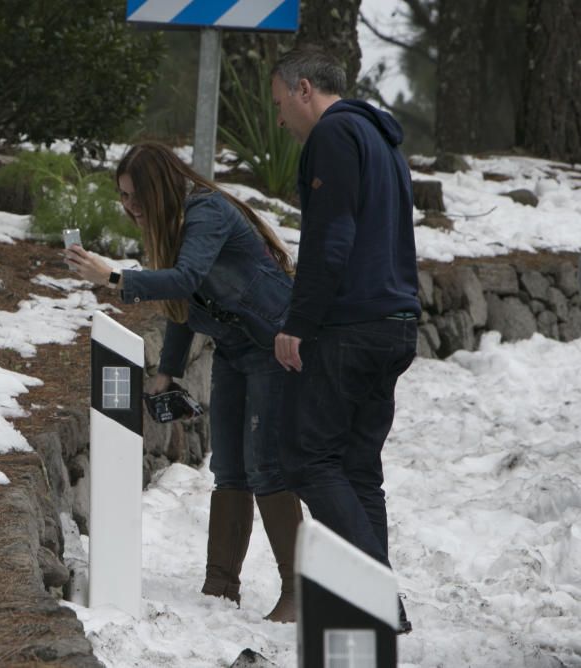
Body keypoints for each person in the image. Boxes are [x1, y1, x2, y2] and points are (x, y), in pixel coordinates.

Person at [65, 142, 304, 622]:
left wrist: (113, 275)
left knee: (266, 466)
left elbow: (183, 278)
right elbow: (184, 308)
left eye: (135, 196)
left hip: (273, 346)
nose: (129, 207)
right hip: (236, 349)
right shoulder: (174, 226)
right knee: (230, 469)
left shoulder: (207, 212)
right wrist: (167, 372)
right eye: (123, 197)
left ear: (158, 189)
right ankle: (220, 584)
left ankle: (300, 592)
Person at [269, 46, 420, 633]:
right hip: (396, 324)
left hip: (351, 325)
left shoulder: (333, 137)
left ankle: (375, 599)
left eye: (281, 104)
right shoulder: (383, 141)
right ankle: (369, 607)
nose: (281, 120)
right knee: (357, 469)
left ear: (304, 89)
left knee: (306, 459)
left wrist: (297, 324)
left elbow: (331, 241)